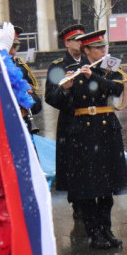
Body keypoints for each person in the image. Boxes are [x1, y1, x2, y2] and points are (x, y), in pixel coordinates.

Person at [50, 30, 127, 250]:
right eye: (98, 48)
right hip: (84, 133)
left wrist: (93, 77)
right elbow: (55, 100)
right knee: (88, 187)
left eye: (104, 47)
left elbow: (117, 88)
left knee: (107, 186)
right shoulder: (73, 71)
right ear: (86, 50)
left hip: (106, 130)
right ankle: (94, 233)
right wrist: (65, 89)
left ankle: (107, 229)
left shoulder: (109, 68)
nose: (103, 51)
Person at [45, 24, 87, 224]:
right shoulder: (58, 66)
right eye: (76, 40)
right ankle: (78, 205)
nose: (81, 43)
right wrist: (65, 90)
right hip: (71, 121)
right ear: (67, 43)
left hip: (92, 120)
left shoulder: (90, 61)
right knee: (74, 165)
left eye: (82, 39)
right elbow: (50, 97)